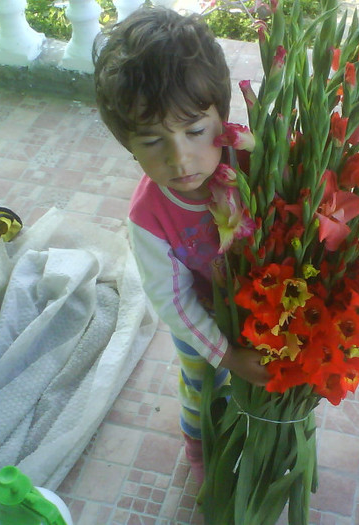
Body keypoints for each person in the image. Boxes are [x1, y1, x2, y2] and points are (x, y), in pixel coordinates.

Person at [93, 6, 268, 484]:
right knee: (203, 390)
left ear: (222, 117)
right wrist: (226, 355)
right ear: (128, 146)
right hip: (202, 318)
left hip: (269, 307)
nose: (180, 157)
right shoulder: (148, 217)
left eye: (195, 131)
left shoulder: (251, 158)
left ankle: (264, 440)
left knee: (267, 385)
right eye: (152, 141)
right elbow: (171, 300)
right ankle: (200, 448)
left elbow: (300, 184)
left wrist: (267, 149)